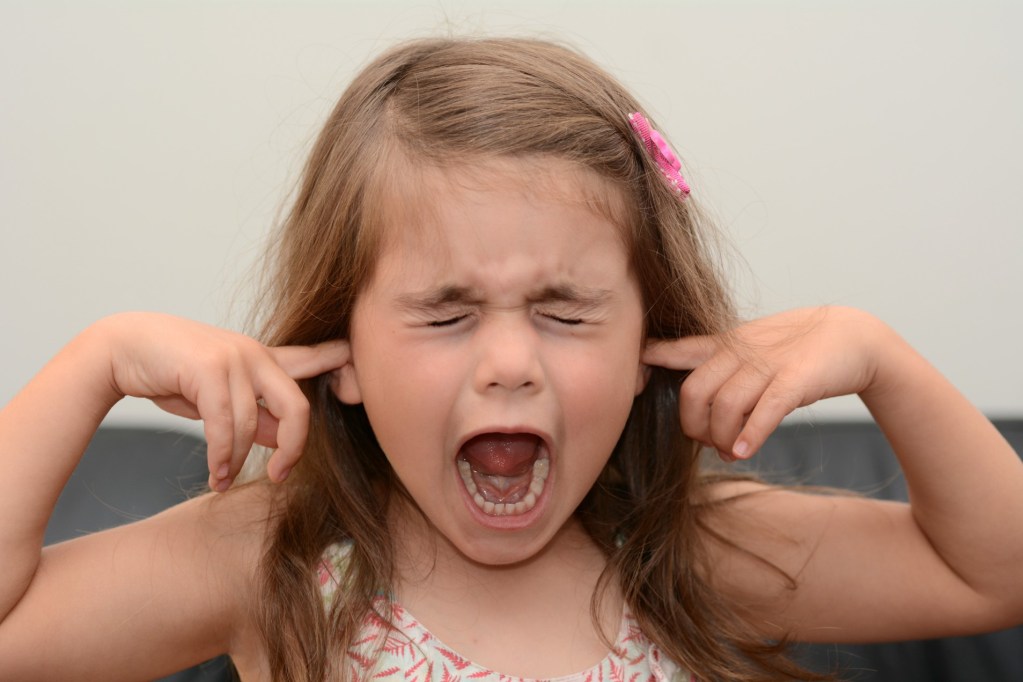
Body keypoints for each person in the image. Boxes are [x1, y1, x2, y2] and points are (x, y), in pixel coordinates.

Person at [0, 37, 1020, 682]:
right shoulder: (269, 558)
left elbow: (994, 576)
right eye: (445, 313)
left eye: (565, 312)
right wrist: (96, 363)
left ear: (645, 350)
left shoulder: (688, 552)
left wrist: (882, 357)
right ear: (340, 352)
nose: (508, 363)